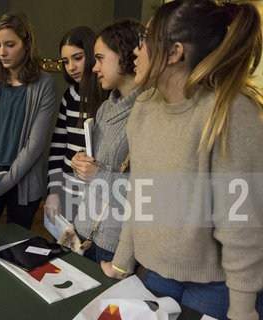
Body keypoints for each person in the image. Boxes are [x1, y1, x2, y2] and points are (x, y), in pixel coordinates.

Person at [101, 1, 263, 319]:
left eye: (146, 40)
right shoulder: (145, 106)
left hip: (218, 287)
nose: (136, 50)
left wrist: (243, 310)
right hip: (156, 272)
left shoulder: (230, 112)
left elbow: (242, 224)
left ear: (174, 53)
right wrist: (122, 261)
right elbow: (139, 194)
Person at [0, 12, 57, 229]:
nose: (2, 52)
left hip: (24, 177)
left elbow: (35, 145)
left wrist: (4, 185)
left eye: (9, 44)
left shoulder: (44, 84)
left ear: (26, 43)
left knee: (17, 245)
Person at [69, 20, 144, 263]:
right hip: (81, 225)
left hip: (114, 242)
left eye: (100, 58)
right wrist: (82, 158)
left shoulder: (148, 111)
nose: (94, 67)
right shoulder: (105, 107)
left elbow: (148, 187)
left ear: (124, 56)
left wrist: (97, 174)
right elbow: (103, 160)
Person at [44, 26, 107, 224]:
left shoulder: (109, 98)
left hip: (99, 198)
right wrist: (53, 192)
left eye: (77, 58)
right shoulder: (69, 96)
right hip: (66, 194)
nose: (70, 67)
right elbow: (57, 148)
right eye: (65, 61)